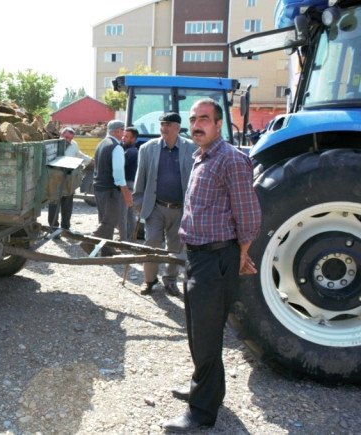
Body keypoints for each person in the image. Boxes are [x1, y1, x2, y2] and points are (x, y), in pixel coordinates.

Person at [163, 98, 261, 432]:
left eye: (204, 119)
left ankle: (201, 413)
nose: (196, 125)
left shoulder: (230, 159)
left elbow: (248, 214)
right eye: (193, 119)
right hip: (197, 257)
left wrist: (243, 252)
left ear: (219, 123)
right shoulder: (203, 157)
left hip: (216, 258)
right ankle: (203, 388)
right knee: (196, 332)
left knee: (206, 336)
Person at [133, 112, 195, 296]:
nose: (164, 128)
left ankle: (170, 280)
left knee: (175, 247)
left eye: (168, 124)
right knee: (151, 242)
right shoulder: (147, 148)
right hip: (155, 207)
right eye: (162, 124)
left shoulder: (191, 148)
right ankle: (149, 280)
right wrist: (138, 201)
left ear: (177, 128)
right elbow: (140, 177)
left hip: (181, 208)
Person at [81, 119, 132, 256]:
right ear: (117, 131)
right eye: (122, 130)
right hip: (110, 189)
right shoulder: (116, 147)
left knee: (104, 218)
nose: (124, 133)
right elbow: (118, 173)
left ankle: (106, 249)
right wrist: (126, 192)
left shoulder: (101, 144)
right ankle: (89, 242)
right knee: (111, 220)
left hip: (99, 187)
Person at [48, 127, 92, 230]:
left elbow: (78, 154)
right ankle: (53, 228)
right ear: (61, 135)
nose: (68, 140)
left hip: (69, 178)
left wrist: (90, 160)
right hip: (55, 179)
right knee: (54, 204)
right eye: (66, 137)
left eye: (70, 138)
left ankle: (66, 227)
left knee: (67, 205)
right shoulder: (54, 145)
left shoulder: (74, 144)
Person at [118, 127, 139, 241]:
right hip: (130, 184)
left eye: (126, 137)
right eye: (123, 136)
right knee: (130, 214)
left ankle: (124, 240)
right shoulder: (129, 150)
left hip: (127, 185)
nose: (123, 138)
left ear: (134, 139)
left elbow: (119, 166)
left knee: (123, 214)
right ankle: (132, 239)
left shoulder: (131, 152)